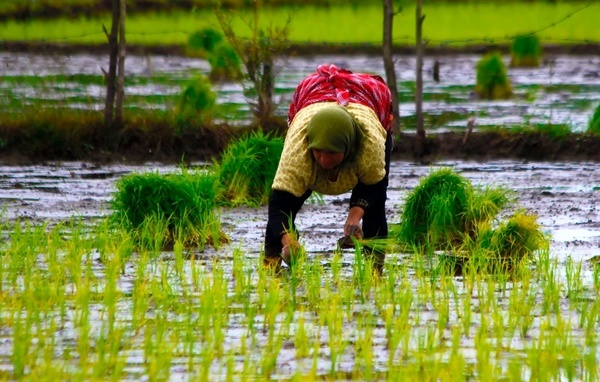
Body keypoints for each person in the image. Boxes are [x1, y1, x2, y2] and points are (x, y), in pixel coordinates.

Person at [263, 64, 394, 271]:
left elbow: (374, 187)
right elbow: (278, 206)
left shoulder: (370, 145)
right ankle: (270, 266)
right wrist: (289, 241)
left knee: (375, 209)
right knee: (287, 208)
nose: (324, 159)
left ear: (347, 148)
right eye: (319, 152)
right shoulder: (299, 152)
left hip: (366, 108)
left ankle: (375, 269)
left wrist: (355, 215)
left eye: (332, 153)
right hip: (312, 104)